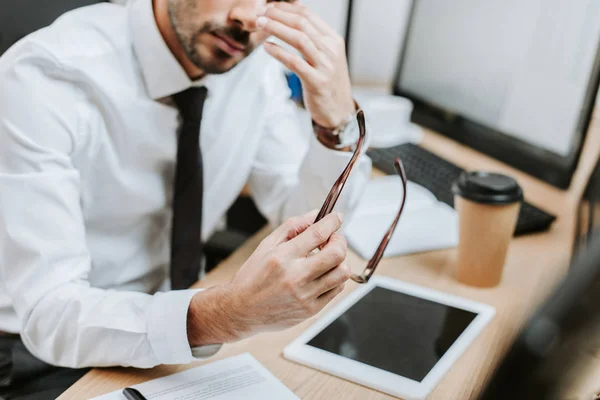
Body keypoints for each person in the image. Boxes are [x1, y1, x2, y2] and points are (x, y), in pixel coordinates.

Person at [0, 0, 372, 398]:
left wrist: (335, 127)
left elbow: (302, 216)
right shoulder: (42, 77)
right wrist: (226, 314)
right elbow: (49, 314)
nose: (249, 18)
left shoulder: (253, 68)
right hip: (41, 353)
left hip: (177, 331)